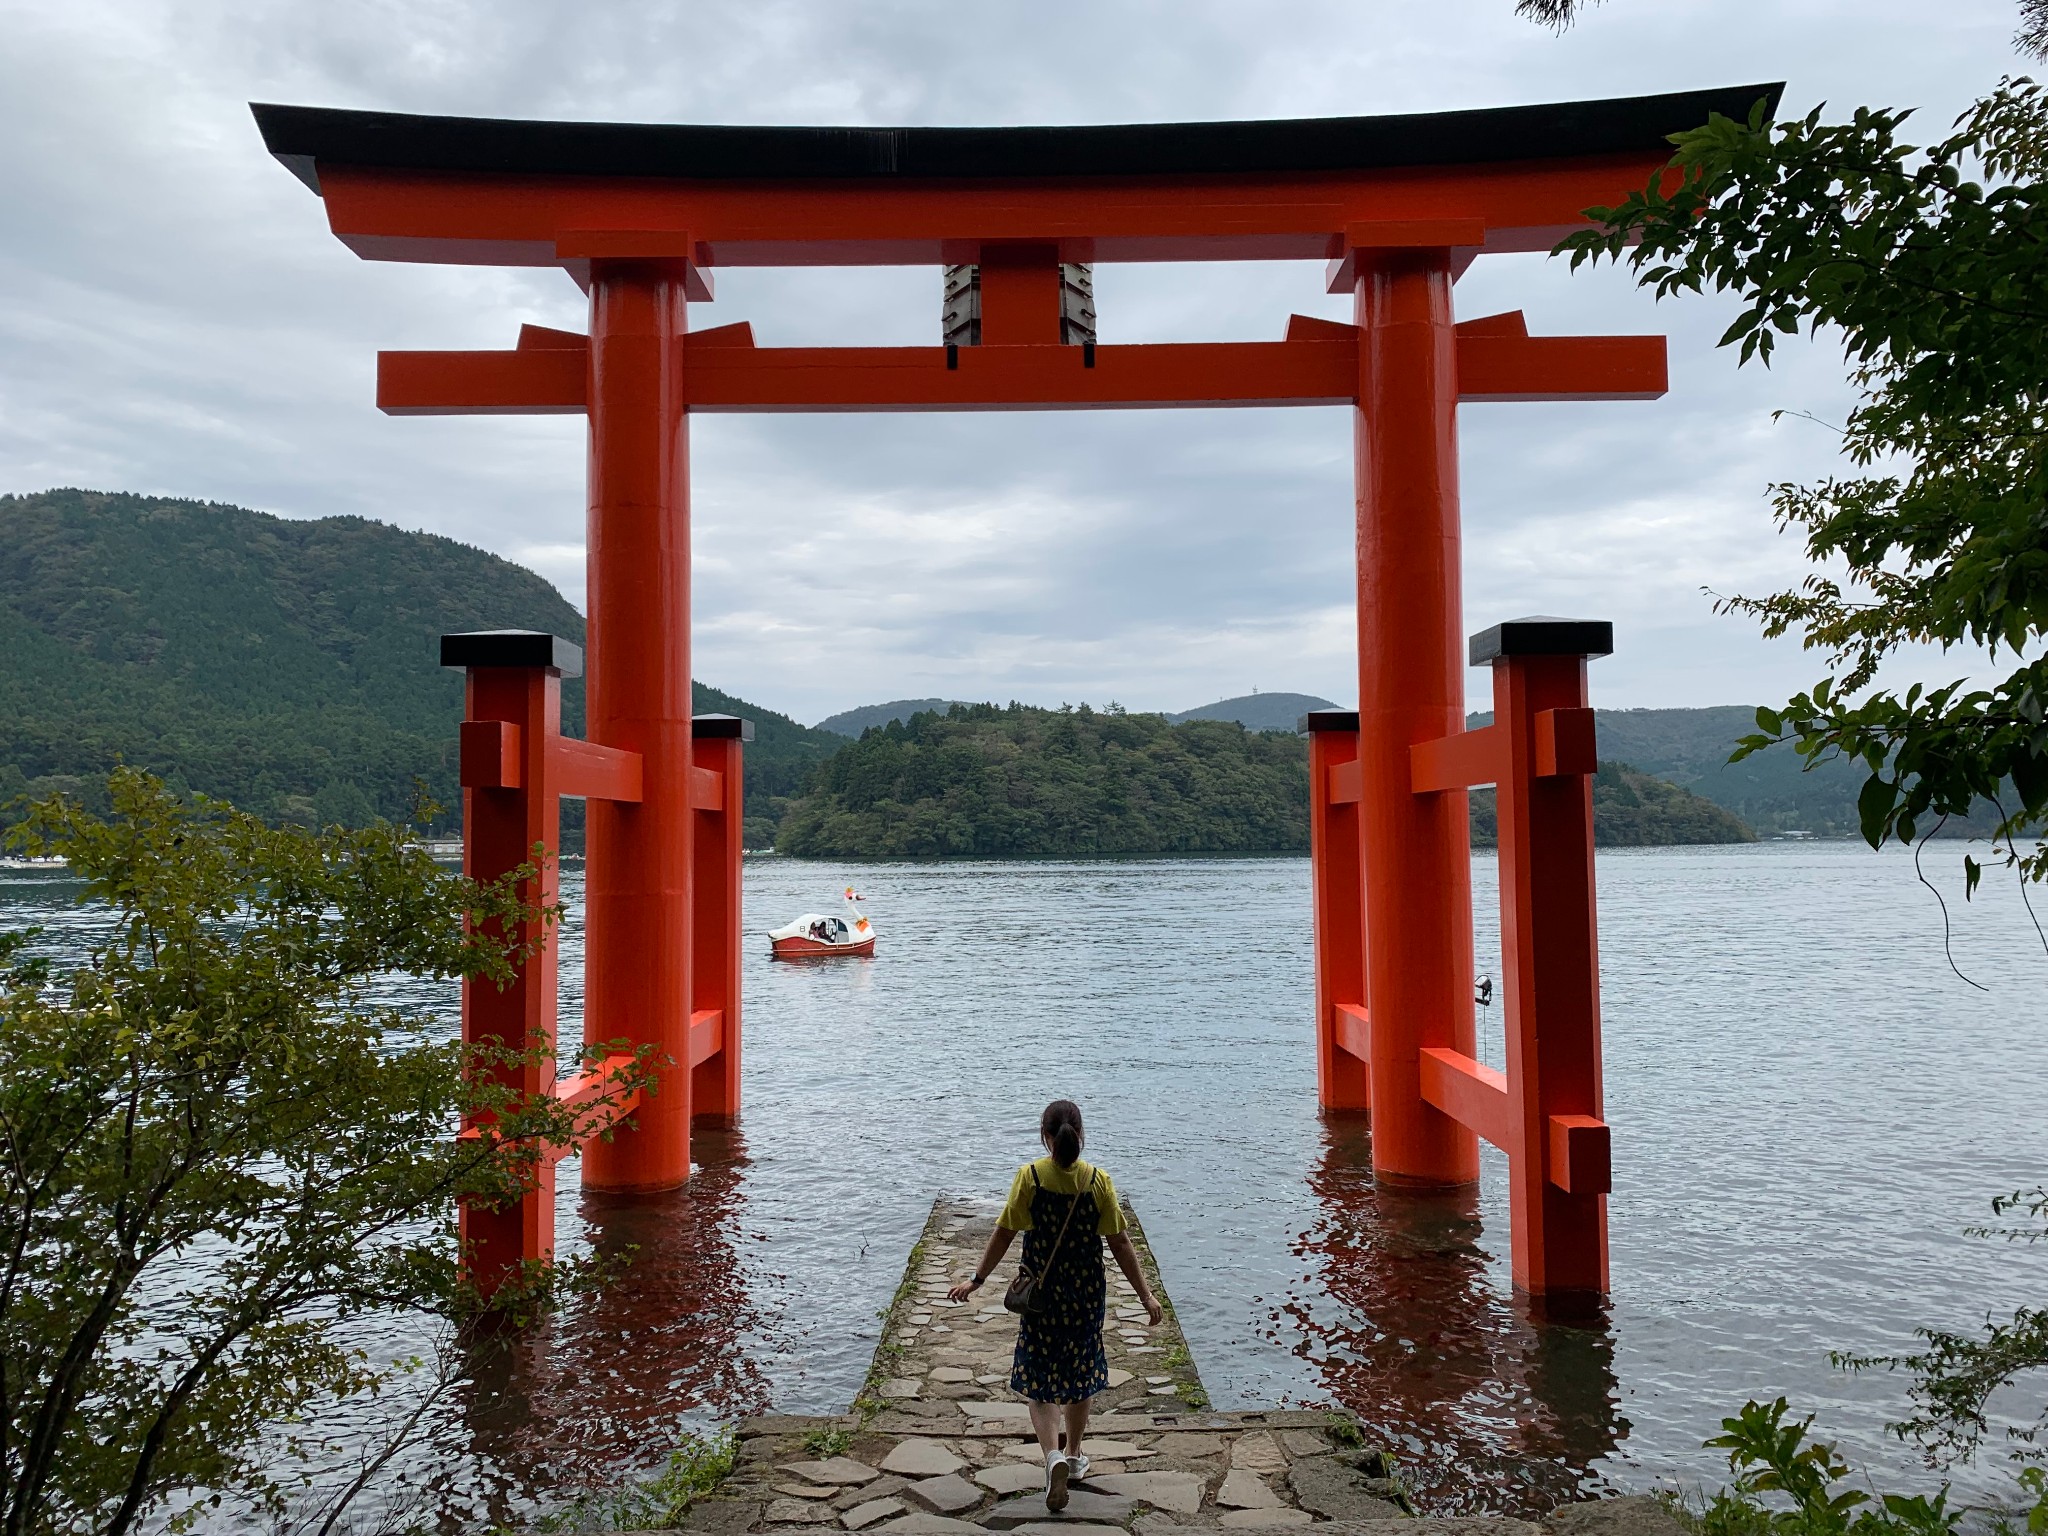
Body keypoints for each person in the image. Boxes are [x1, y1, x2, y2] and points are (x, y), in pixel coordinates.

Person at [947, 1100, 1164, 1511]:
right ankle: (1076, 1454)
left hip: (1040, 1298)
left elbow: (1005, 1232)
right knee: (1080, 1372)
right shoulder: (1098, 1181)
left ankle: (1052, 1456)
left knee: (1039, 1371)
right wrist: (1146, 1296)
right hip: (1084, 1296)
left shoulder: (1030, 1177)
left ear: (1045, 1135)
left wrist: (976, 1280)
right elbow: (1119, 1243)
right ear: (1081, 1135)